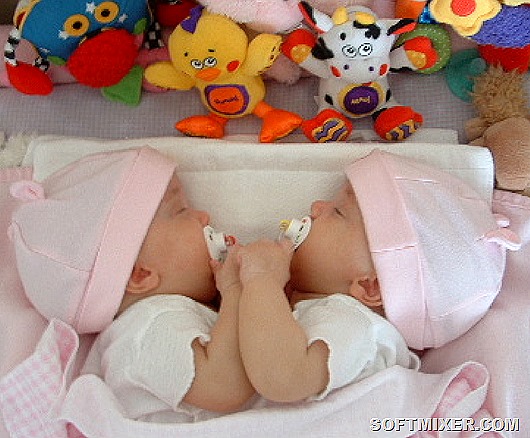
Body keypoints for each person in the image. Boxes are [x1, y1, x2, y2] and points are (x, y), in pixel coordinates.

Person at [237, 149, 520, 403]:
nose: (316, 206)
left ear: (369, 286)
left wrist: (261, 280)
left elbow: (286, 378)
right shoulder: (324, 314)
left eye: (338, 212)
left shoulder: (358, 327)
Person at [8, 146, 255, 423]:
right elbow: (224, 386)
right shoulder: (146, 328)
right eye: (181, 211)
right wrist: (240, 290)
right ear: (141, 275)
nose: (203, 216)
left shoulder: (160, 319)